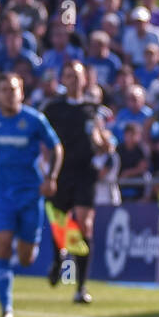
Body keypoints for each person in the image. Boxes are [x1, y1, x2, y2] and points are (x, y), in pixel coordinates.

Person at [0, 73, 63, 317]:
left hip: (31, 195)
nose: (9, 94)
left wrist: (51, 177)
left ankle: (48, 257)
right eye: (4, 90)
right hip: (2, 195)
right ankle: (7, 309)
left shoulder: (34, 120)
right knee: (2, 244)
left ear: (21, 92)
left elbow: (56, 147)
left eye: (14, 90)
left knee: (25, 258)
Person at [43, 61, 111, 303]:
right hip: (61, 172)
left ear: (85, 80)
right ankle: (58, 258)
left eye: (77, 76)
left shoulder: (92, 109)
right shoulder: (53, 108)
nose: (73, 80)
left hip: (84, 173)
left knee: (84, 225)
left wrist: (103, 142)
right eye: (68, 76)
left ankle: (80, 287)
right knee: (60, 224)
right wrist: (46, 170)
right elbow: (43, 142)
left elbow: (104, 143)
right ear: (63, 79)